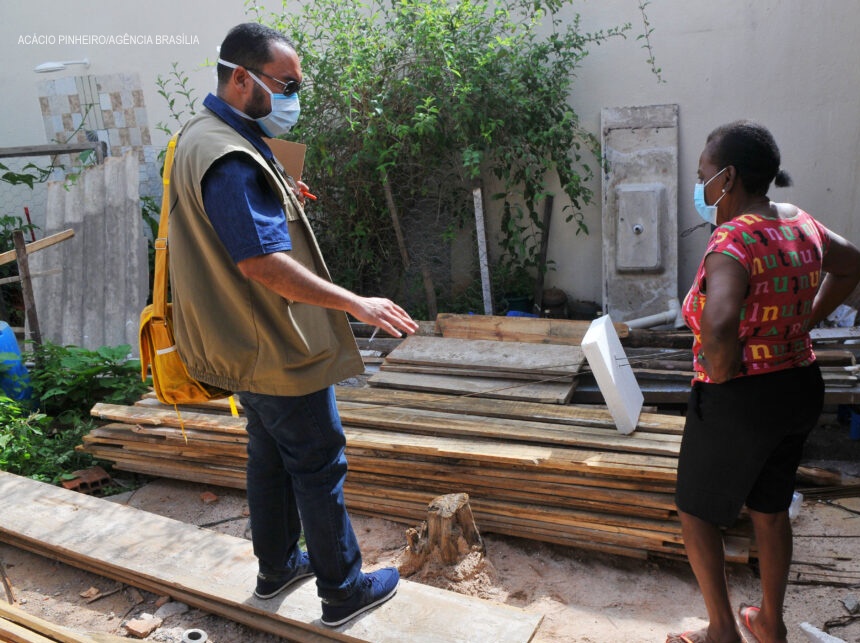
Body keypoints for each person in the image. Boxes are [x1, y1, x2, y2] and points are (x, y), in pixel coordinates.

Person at [167, 22, 419, 627]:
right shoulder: (230, 160)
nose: (293, 97)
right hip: (273, 346)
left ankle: (278, 566)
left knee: (270, 455)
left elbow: (231, 223)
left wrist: (279, 190)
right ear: (239, 77)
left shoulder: (205, 135)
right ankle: (342, 589)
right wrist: (355, 303)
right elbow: (260, 263)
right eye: (285, 84)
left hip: (236, 341)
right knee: (319, 460)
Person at [667, 120, 860, 643]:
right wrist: (807, 321)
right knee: (770, 509)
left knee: (697, 512)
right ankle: (770, 625)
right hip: (798, 385)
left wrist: (723, 370)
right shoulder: (802, 224)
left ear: (727, 178)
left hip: (741, 396)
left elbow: (721, 320)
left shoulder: (732, 239)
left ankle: (722, 632)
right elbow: (852, 265)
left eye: (704, 175)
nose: (701, 186)